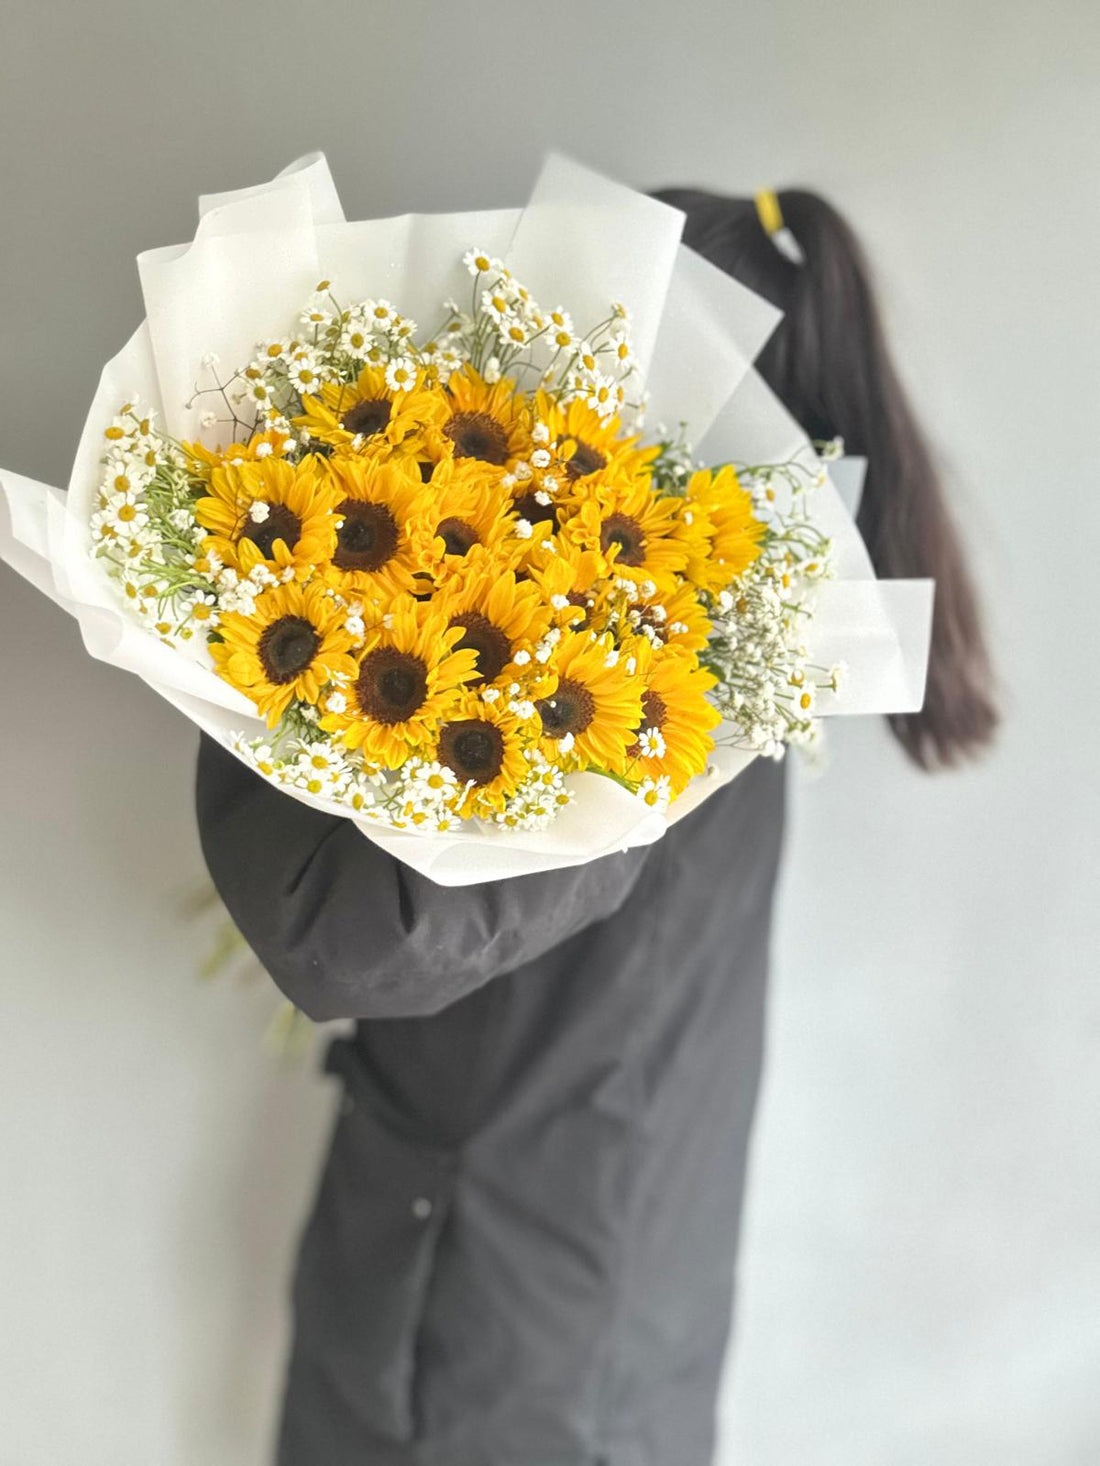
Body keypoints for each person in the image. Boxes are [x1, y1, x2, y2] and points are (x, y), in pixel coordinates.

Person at [195, 187, 997, 1466]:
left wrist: (272, 613)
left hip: (502, 1326)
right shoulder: (738, 639)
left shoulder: (651, 683)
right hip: (580, 1288)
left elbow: (351, 937)